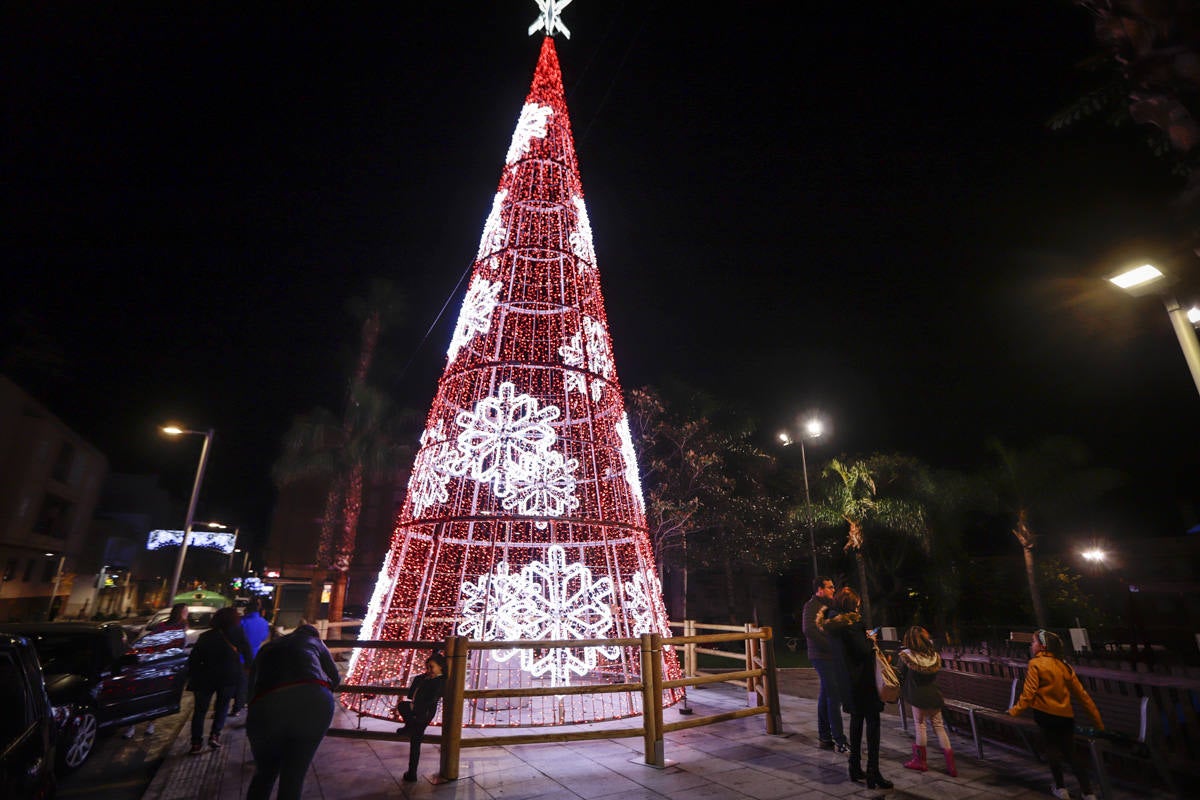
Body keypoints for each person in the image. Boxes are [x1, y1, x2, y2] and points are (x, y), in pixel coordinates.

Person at [246, 622, 340, 800]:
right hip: (314, 700)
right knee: (294, 775)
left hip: (266, 703)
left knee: (265, 772)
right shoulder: (315, 642)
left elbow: (250, 688)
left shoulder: (268, 648)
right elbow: (335, 677)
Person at [1008, 629, 1104, 800]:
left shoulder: (1036, 664)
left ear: (1043, 646)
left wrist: (1014, 711)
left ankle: (1061, 788)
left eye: (1034, 641)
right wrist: (1098, 722)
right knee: (1071, 753)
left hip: (1045, 715)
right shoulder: (1064, 666)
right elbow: (1083, 696)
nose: (1032, 645)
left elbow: (1028, 694)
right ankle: (1088, 792)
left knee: (1052, 750)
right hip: (1065, 716)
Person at [824, 586, 892, 790]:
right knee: (873, 723)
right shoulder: (852, 624)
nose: (859, 609)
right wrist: (871, 641)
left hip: (847, 682)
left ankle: (854, 767)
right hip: (863, 682)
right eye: (858, 605)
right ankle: (873, 772)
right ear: (853, 605)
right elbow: (862, 651)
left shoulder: (832, 624)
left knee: (856, 721)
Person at [186, 606, 252, 754]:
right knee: (222, 707)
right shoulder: (238, 634)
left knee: (200, 711)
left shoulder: (205, 637)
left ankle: (196, 743)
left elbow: (194, 660)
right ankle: (215, 736)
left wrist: (192, 675)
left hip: (205, 677)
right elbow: (248, 654)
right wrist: (247, 670)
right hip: (228, 677)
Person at [895, 625, 956, 776]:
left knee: (920, 725)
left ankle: (920, 761)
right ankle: (951, 765)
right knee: (939, 727)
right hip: (934, 695)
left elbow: (899, 674)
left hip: (917, 696)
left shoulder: (906, 655)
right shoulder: (933, 656)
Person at [123, 603, 188, 739]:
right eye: (185, 611)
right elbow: (153, 641)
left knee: (157, 695)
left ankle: (150, 724)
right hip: (154, 662)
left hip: (165, 666)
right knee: (143, 693)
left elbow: (180, 646)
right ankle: (132, 725)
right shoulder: (164, 626)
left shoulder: (183, 626)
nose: (187, 613)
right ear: (179, 613)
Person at [802, 575, 848, 752]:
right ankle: (839, 739)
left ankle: (825, 737)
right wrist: (832, 647)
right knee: (833, 696)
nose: (833, 590)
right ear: (819, 589)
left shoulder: (829, 605)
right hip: (821, 656)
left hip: (829, 657)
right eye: (829, 587)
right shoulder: (812, 606)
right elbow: (809, 629)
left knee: (826, 695)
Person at [395, 652, 447, 783]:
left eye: (431, 667)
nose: (429, 670)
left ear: (441, 667)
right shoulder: (425, 678)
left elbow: (431, 699)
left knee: (415, 742)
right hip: (416, 712)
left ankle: (412, 773)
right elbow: (411, 694)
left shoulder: (440, 681)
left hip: (423, 714)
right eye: (427, 667)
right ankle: (409, 727)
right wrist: (423, 677)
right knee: (402, 706)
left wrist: (416, 709)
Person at [230, 598, 271, 717]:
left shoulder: (241, 622)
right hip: (256, 654)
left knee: (240, 682)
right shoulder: (263, 622)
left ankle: (237, 706)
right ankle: (249, 702)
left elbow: (235, 638)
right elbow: (264, 637)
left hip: (241, 656)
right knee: (251, 681)